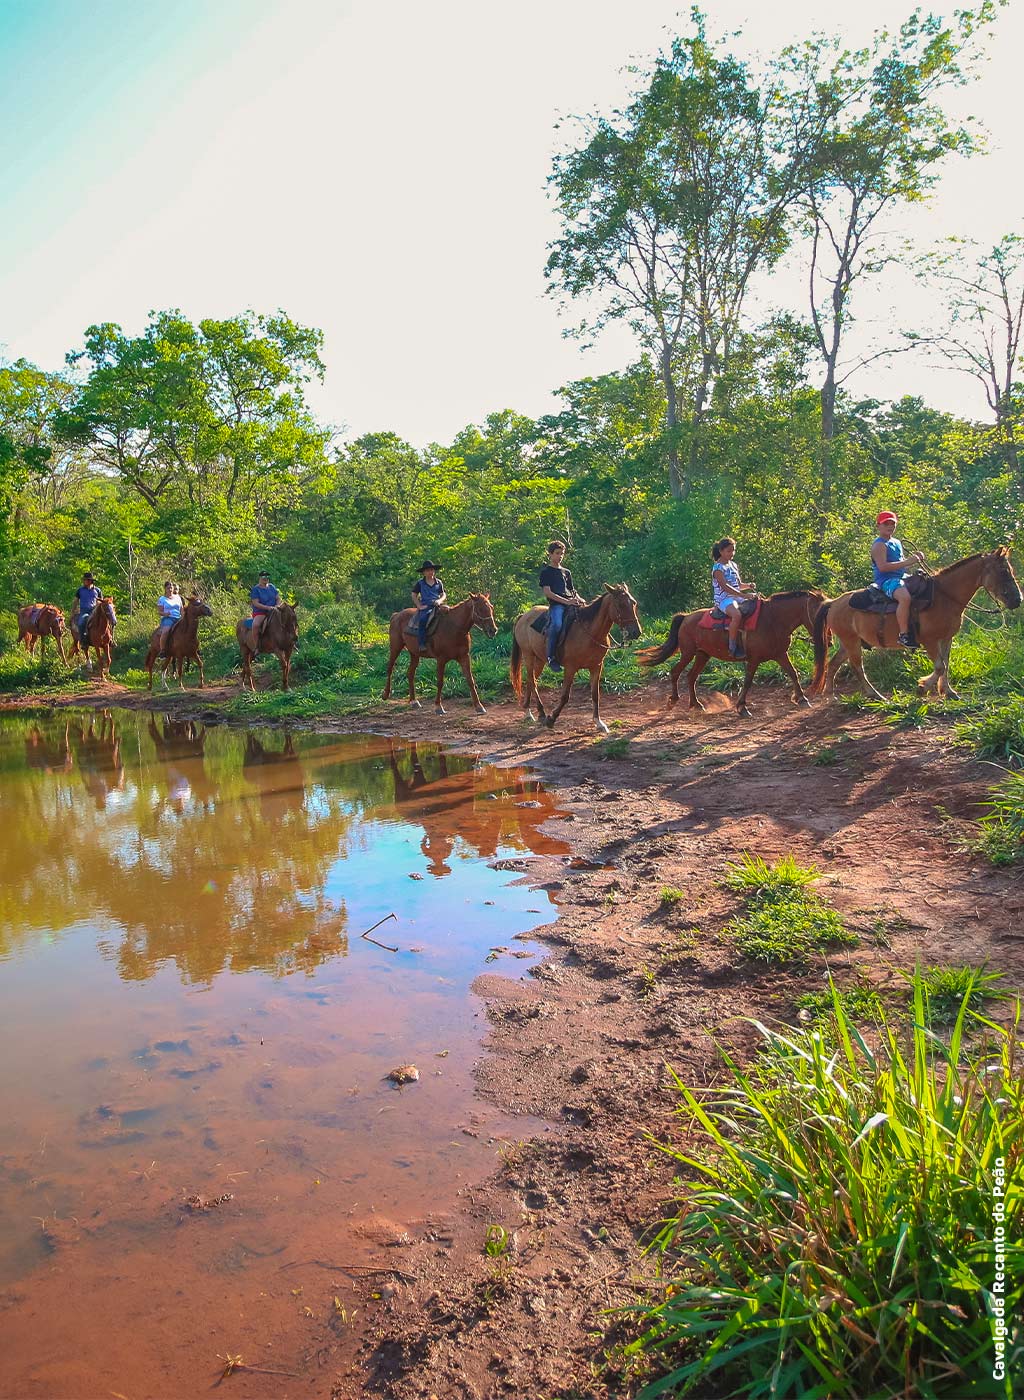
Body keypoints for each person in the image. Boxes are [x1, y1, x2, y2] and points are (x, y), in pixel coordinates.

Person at [871, 511, 925, 648]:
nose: (890, 526)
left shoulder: (896, 542)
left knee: (926, 585)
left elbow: (899, 562)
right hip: (886, 580)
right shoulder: (879, 545)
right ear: (878, 526)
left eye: (892, 524)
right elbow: (882, 567)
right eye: (886, 523)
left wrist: (915, 559)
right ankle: (904, 635)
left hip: (901, 577)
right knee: (905, 598)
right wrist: (909, 562)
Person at [540, 540, 585, 672]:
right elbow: (548, 592)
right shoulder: (546, 572)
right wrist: (567, 602)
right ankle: (551, 657)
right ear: (550, 554)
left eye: (562, 554)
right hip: (557, 606)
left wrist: (579, 599)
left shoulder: (566, 572)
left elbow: (572, 591)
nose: (560, 556)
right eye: (557, 553)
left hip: (570, 602)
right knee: (557, 625)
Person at [711, 537, 757, 660]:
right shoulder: (718, 568)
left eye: (733, 551)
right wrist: (744, 595)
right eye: (729, 551)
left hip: (736, 597)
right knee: (736, 615)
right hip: (724, 599)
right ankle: (732, 647)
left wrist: (748, 586)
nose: (732, 554)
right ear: (721, 551)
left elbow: (738, 585)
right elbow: (725, 587)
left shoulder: (733, 565)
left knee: (757, 604)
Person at [411, 560, 447, 648]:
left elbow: (443, 594)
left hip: (438, 605)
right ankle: (421, 643)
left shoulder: (439, 583)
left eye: (431, 570)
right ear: (424, 573)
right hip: (426, 606)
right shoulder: (420, 583)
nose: (430, 572)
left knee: (450, 614)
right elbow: (414, 594)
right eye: (427, 570)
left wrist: (440, 600)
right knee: (423, 620)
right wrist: (419, 606)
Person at [249, 571, 281, 649]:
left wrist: (277, 605)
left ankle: (292, 642)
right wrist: (268, 608)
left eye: (267, 577)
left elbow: (278, 598)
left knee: (288, 618)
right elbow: (256, 603)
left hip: (274, 610)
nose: (266, 579)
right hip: (261, 612)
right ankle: (257, 647)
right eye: (263, 577)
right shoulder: (256, 589)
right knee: (256, 625)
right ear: (260, 578)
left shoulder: (272, 587)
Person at [74, 571, 102, 642]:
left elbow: (100, 601)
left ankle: (110, 639)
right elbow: (76, 601)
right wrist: (73, 610)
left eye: (85, 580)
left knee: (108, 620)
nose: (83, 581)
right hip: (84, 611)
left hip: (94, 611)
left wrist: (97, 607)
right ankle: (83, 641)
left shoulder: (97, 590)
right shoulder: (80, 590)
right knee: (81, 623)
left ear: (90, 581)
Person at [157, 580, 182, 653]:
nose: (170, 589)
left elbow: (181, 609)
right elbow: (159, 612)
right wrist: (165, 614)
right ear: (165, 589)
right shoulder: (162, 599)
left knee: (189, 628)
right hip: (168, 618)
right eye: (168, 588)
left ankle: (194, 647)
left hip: (178, 617)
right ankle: (162, 650)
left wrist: (183, 616)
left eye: (171, 588)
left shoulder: (178, 597)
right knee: (166, 631)